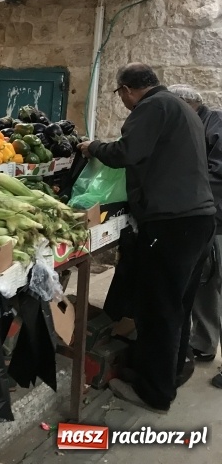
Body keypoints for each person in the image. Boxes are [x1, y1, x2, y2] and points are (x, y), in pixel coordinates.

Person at [78, 63, 215, 412]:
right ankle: (171, 375)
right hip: (198, 219)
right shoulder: (183, 108)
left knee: (159, 310)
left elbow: (126, 152)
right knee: (179, 305)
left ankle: (153, 393)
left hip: (171, 224)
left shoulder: (152, 106)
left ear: (125, 90)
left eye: (121, 95)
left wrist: (93, 147)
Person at [168, 85, 222, 374]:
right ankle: (202, 340)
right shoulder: (197, 123)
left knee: (212, 281)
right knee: (203, 282)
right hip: (206, 213)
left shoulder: (216, 125)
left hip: (216, 216)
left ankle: (205, 342)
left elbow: (214, 173)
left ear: (187, 105)